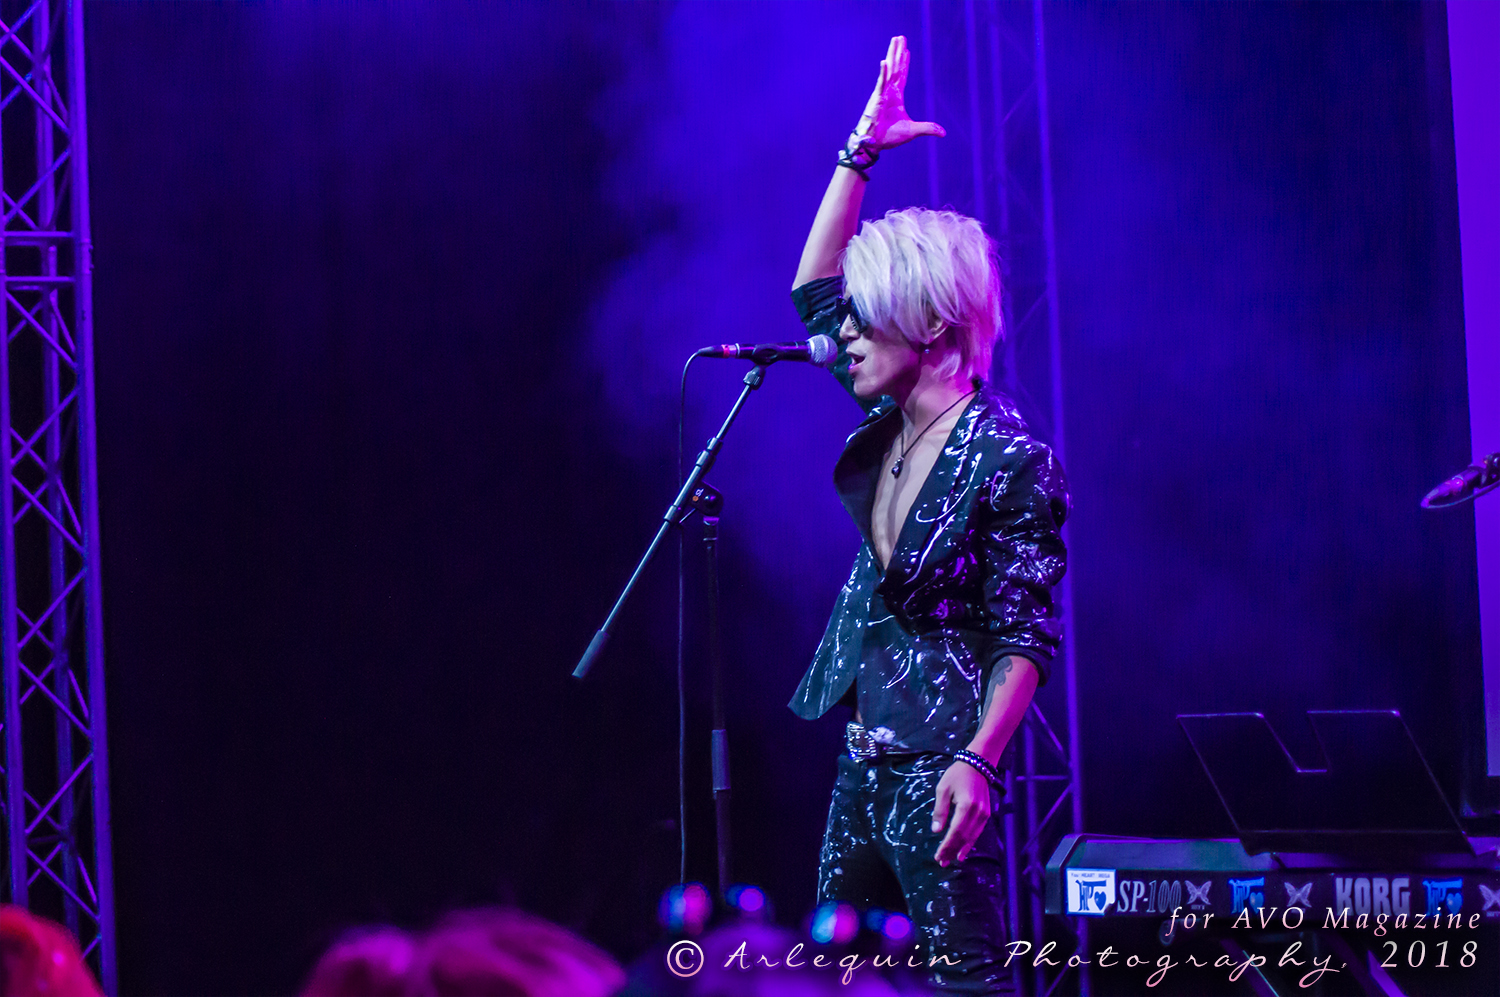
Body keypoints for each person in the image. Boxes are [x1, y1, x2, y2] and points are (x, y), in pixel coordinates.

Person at [786, 36, 1069, 995]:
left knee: (966, 985)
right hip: (861, 765)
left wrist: (980, 764)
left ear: (934, 325)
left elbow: (1024, 634)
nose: (843, 333)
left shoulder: (1008, 459)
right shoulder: (888, 417)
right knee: (834, 978)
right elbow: (812, 289)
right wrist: (860, 152)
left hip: (940, 768)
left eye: (866, 317)